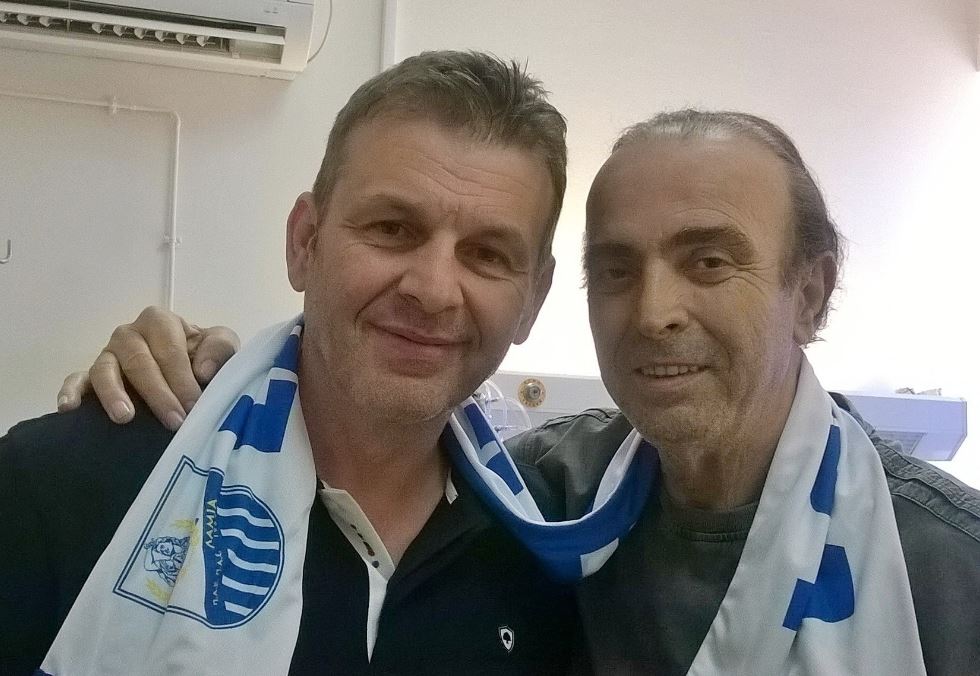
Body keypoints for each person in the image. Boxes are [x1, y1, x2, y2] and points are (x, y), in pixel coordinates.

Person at [70, 110, 980, 675]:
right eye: (616, 269)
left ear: (809, 294)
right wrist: (203, 371)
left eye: (709, 262)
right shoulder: (544, 500)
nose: (654, 311)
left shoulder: (947, 569)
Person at [0, 50, 600, 675]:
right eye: (392, 228)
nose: (433, 290)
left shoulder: (550, 552)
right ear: (304, 243)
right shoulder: (66, 485)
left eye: (488, 254)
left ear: (533, 300)